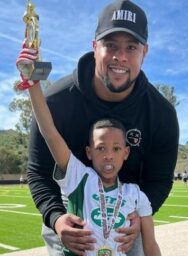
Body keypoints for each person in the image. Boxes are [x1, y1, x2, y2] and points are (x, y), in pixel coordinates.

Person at [16, 0, 179, 255]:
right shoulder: (56, 102)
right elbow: (39, 172)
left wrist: (139, 218)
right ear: (95, 47)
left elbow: (159, 180)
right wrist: (57, 218)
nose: (120, 56)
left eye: (131, 47)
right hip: (69, 224)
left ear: (144, 52)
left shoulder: (162, 113)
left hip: (126, 221)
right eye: (110, 45)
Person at [26, 72, 161, 255]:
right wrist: (32, 83)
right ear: (89, 152)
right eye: (100, 148)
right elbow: (49, 132)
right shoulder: (79, 177)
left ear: (126, 152)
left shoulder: (136, 196)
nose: (108, 156)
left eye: (116, 149)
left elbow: (151, 246)